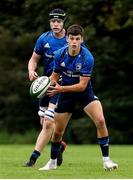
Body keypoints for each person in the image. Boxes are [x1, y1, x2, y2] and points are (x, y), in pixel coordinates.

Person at [38, 24, 118, 171]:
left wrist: (59, 88)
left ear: (82, 40)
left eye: (77, 39)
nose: (74, 41)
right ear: (67, 39)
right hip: (66, 95)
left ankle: (106, 160)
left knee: (100, 121)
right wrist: (44, 85)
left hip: (84, 93)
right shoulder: (59, 54)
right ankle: (53, 162)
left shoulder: (87, 57)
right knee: (58, 132)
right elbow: (55, 76)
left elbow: (81, 86)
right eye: (72, 38)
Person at [24, 8, 68, 167]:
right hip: (45, 85)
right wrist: (31, 70)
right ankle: (60, 145)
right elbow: (33, 59)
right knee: (43, 122)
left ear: (64, 23)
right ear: (50, 22)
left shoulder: (70, 39)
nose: (55, 24)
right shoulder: (44, 39)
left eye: (59, 21)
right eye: (53, 21)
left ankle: (32, 159)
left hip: (61, 86)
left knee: (49, 122)